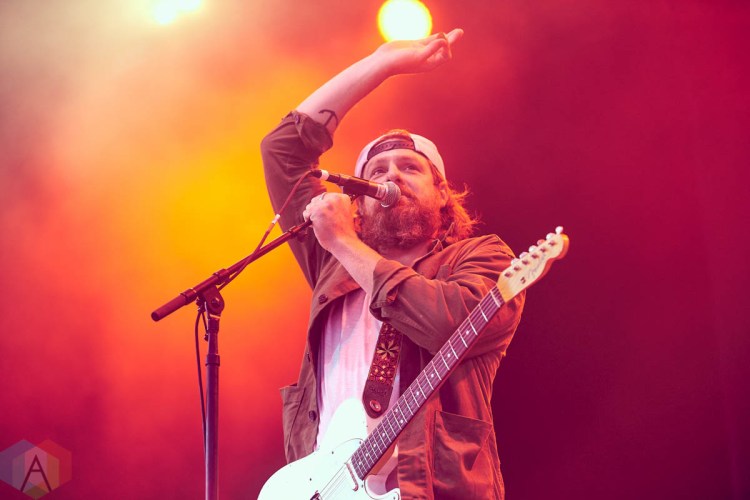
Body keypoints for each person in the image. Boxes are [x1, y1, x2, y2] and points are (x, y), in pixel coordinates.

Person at [260, 29, 524, 499]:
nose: (391, 177)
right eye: (377, 172)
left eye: (409, 167)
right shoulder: (331, 262)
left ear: (442, 193)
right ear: (360, 201)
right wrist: (380, 65)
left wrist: (345, 242)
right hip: (326, 487)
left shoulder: (481, 256)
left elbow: (448, 325)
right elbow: (282, 150)